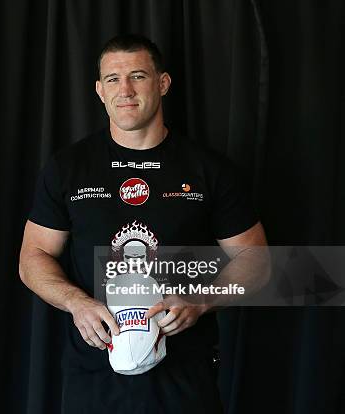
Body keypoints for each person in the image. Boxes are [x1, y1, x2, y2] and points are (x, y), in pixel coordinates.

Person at [19, 34, 269, 413]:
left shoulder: (208, 170)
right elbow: (33, 256)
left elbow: (257, 261)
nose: (126, 91)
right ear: (100, 91)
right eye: (114, 80)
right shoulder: (68, 168)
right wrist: (77, 303)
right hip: (95, 377)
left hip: (183, 377)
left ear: (162, 83)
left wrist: (201, 301)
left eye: (137, 76)